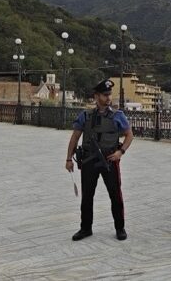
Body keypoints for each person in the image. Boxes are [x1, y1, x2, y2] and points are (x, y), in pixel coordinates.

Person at [65, 78, 133, 241]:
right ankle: (85, 228)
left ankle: (120, 228)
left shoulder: (118, 116)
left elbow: (129, 135)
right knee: (87, 196)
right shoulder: (85, 115)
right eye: (104, 95)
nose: (108, 98)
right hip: (89, 160)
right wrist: (68, 159)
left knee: (115, 195)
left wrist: (120, 152)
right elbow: (75, 137)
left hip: (110, 160)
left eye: (109, 94)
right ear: (96, 97)